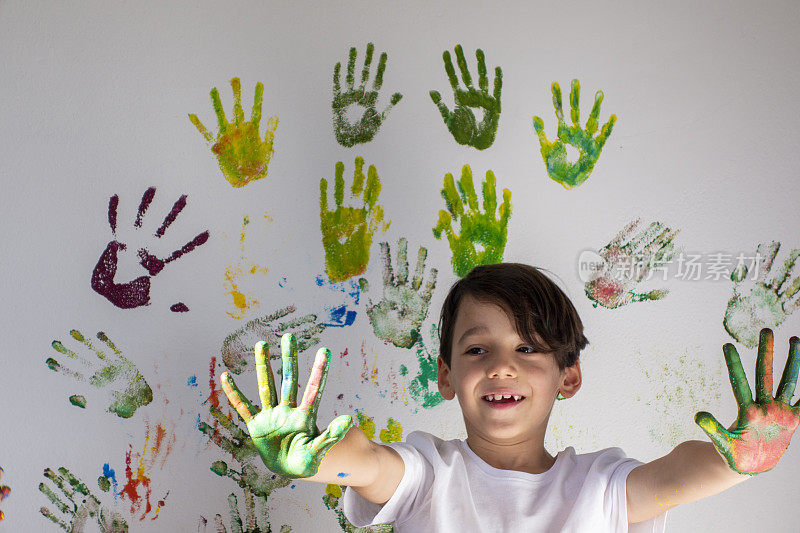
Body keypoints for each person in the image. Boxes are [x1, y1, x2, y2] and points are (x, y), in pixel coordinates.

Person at [220, 263, 800, 532]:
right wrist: (315, 456)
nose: (502, 366)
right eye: (477, 351)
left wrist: (736, 462)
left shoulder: (596, 488)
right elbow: (367, 463)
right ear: (446, 376)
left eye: (529, 349)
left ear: (567, 377)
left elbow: (673, 475)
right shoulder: (429, 474)